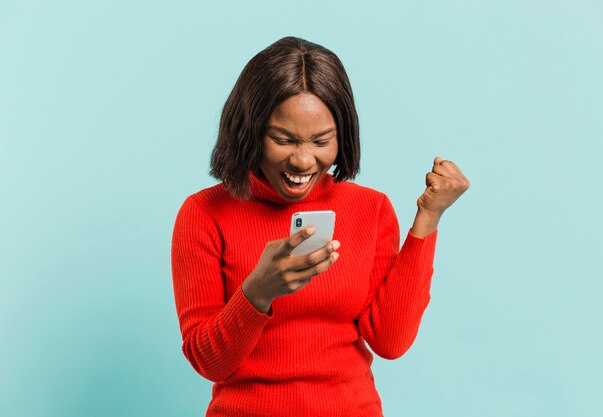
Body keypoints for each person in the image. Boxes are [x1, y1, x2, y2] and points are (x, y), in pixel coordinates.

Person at [171, 36, 469, 417]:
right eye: (282, 139)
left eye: (321, 141)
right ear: (249, 131)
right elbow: (209, 363)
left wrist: (428, 219)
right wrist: (257, 293)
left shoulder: (370, 209)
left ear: (341, 136)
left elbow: (390, 342)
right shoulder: (204, 213)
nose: (302, 160)